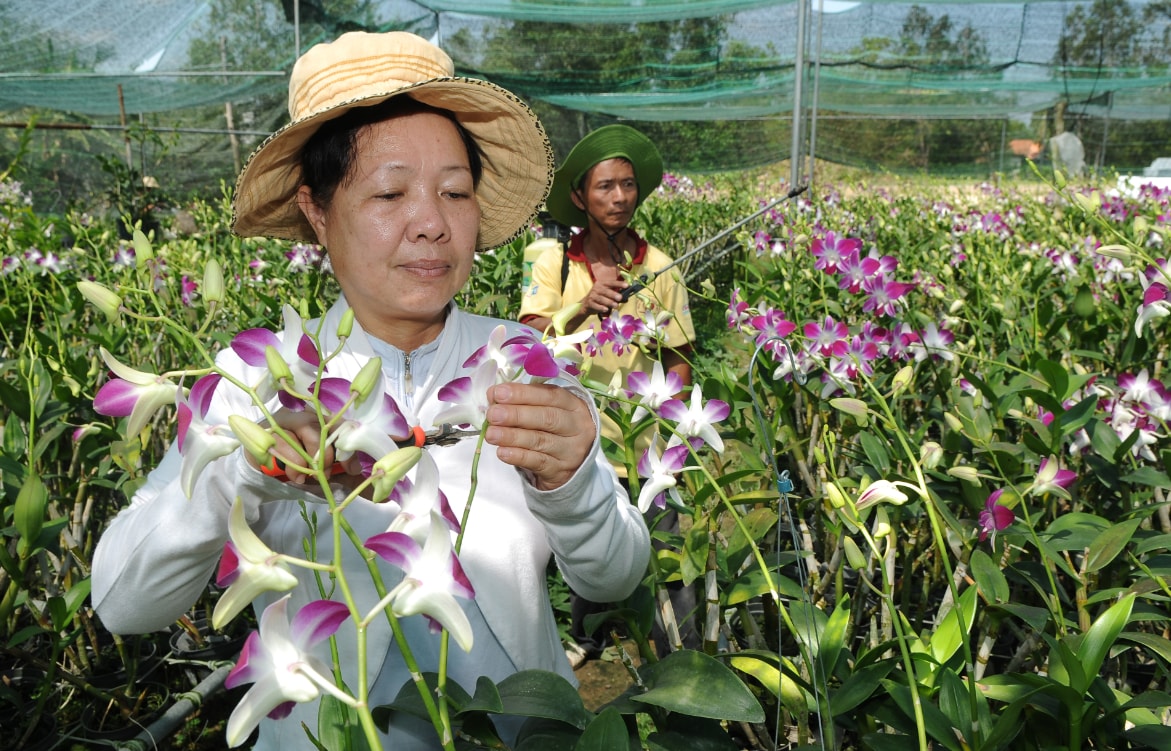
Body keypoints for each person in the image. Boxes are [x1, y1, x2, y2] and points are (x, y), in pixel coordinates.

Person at [91, 31, 649, 750]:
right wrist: (242, 468)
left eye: (454, 192)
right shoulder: (258, 383)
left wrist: (573, 483)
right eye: (390, 192)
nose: (431, 223)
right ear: (318, 213)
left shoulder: (521, 360)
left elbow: (614, 575)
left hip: (521, 728)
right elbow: (124, 602)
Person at [518, 125, 699, 662]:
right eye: (603, 187)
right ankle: (588, 637)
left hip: (644, 439)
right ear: (579, 196)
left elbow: (679, 358)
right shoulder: (548, 259)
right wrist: (582, 306)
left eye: (627, 185)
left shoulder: (659, 267)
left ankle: (680, 656)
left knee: (665, 549)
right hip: (579, 437)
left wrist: (669, 427)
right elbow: (530, 339)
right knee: (586, 546)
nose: (619, 198)